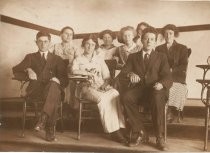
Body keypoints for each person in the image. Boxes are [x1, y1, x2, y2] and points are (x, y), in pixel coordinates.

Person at [120, 27, 172, 150]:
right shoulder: (133, 57)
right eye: (146, 38)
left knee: (157, 96)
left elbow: (168, 76)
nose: (149, 41)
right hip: (140, 90)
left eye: (152, 39)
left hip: (156, 89)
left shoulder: (161, 56)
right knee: (126, 97)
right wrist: (130, 74)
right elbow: (123, 74)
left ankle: (159, 137)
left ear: (155, 42)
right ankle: (140, 132)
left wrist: (161, 84)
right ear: (141, 40)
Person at [12, 31, 68, 141]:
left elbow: (65, 79)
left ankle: (43, 119)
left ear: (50, 43)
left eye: (46, 42)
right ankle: (49, 128)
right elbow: (16, 70)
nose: (43, 44)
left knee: (53, 87)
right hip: (35, 91)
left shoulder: (57, 59)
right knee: (54, 96)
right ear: (36, 42)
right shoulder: (30, 57)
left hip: (52, 90)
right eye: (40, 42)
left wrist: (58, 80)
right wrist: (28, 69)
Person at [72, 34, 127, 144]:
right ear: (83, 45)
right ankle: (114, 131)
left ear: (95, 47)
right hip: (85, 88)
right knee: (103, 98)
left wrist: (105, 84)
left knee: (115, 93)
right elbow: (73, 71)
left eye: (92, 45)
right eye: (87, 44)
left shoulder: (99, 59)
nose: (90, 46)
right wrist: (86, 73)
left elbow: (107, 76)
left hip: (100, 87)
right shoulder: (78, 59)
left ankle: (119, 127)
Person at [156, 24, 189, 122]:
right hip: (162, 76)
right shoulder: (158, 48)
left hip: (176, 77)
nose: (168, 36)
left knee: (176, 88)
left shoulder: (182, 48)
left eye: (170, 33)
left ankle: (171, 111)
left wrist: (171, 70)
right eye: (165, 33)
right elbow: (156, 64)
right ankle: (162, 112)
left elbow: (184, 65)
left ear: (175, 34)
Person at [54, 26, 80, 109]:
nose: (69, 36)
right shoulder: (55, 46)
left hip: (70, 73)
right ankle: (57, 108)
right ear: (61, 35)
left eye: (71, 34)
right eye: (66, 34)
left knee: (72, 84)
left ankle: (71, 108)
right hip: (57, 73)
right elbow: (48, 57)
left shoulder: (75, 48)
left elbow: (79, 61)